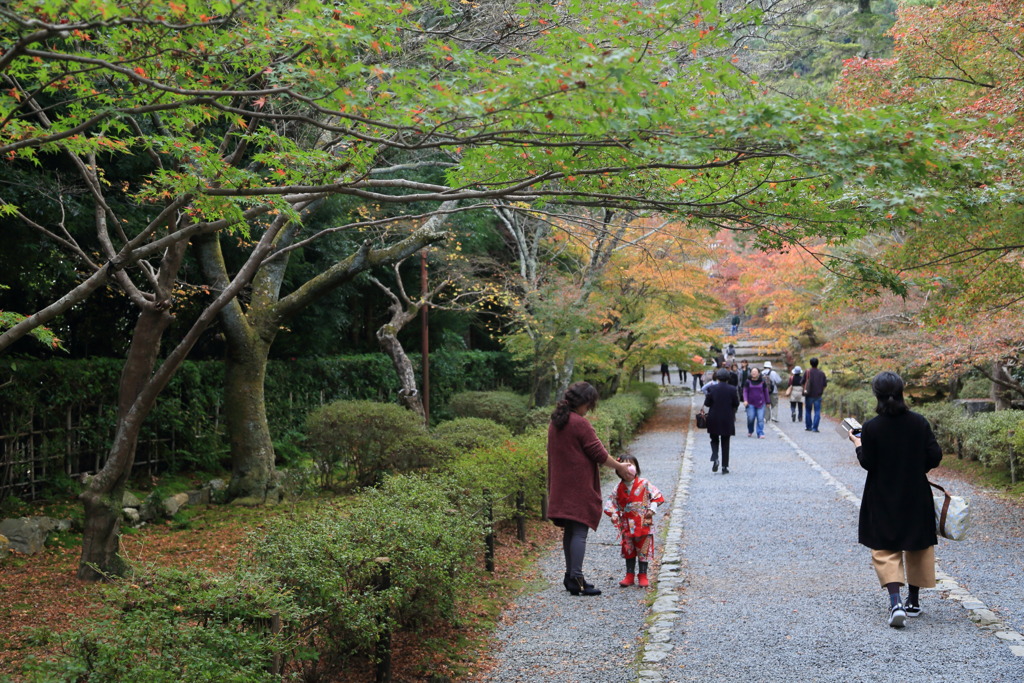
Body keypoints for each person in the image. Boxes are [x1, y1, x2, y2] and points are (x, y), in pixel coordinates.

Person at [848, 371, 942, 628]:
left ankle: (895, 601)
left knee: (885, 548)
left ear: (876, 395)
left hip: (882, 493)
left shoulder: (871, 427)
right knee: (918, 544)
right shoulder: (919, 422)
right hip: (915, 491)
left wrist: (857, 443)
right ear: (902, 391)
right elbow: (934, 456)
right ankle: (913, 602)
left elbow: (868, 462)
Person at [548, 381, 632, 596]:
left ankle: (571, 577)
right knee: (580, 530)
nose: (589, 409)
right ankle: (576, 578)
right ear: (585, 402)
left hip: (562, 483)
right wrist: (620, 467)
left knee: (571, 530)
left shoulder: (558, 420)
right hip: (578, 485)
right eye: (590, 404)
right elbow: (599, 453)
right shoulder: (578, 422)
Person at [604, 455, 665, 588]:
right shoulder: (618, 488)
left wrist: (652, 509)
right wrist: (614, 513)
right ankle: (629, 575)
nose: (628, 471)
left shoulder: (644, 483)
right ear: (618, 471)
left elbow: (657, 496)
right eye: (623, 468)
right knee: (629, 550)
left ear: (636, 468)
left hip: (643, 522)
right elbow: (611, 504)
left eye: (631, 466)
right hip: (626, 524)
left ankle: (643, 575)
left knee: (643, 549)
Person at [704, 368, 740, 474]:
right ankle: (724, 466)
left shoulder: (712, 388)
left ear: (717, 378)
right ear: (727, 378)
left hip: (714, 417)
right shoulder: (732, 389)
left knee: (714, 439)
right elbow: (736, 403)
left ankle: (715, 457)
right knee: (725, 442)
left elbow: (707, 403)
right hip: (727, 417)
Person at [743, 367, 770, 438]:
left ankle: (760, 432)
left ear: (758, 373)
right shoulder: (747, 381)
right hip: (750, 403)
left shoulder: (763, 381)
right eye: (752, 372)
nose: (754, 373)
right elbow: (745, 391)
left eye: (755, 372)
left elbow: (766, 392)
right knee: (750, 418)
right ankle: (750, 430)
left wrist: (768, 401)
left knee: (760, 418)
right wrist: (745, 400)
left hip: (761, 402)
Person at [804, 357, 828, 432]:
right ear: (817, 363)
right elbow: (824, 385)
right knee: (817, 411)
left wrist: (805, 390)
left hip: (809, 394)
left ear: (810, 363)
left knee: (808, 410)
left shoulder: (807, 372)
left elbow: (802, 382)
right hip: (818, 395)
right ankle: (815, 427)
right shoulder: (821, 373)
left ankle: (808, 426)